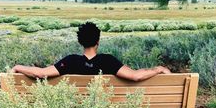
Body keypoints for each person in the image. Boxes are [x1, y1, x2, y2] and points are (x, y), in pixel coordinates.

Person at [11, 22, 171, 81]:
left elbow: (40, 73)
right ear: (98, 42)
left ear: (80, 42)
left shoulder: (71, 61)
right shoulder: (108, 61)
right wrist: (158, 69)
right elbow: (135, 76)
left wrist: (18, 67)